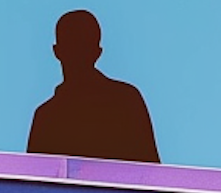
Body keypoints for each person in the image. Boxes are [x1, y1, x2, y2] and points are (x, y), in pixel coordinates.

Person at [27, 10, 159, 162]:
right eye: (73, 45)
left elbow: (150, 172)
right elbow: (36, 181)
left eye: (82, 45)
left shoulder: (126, 100)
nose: (77, 54)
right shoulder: (46, 116)